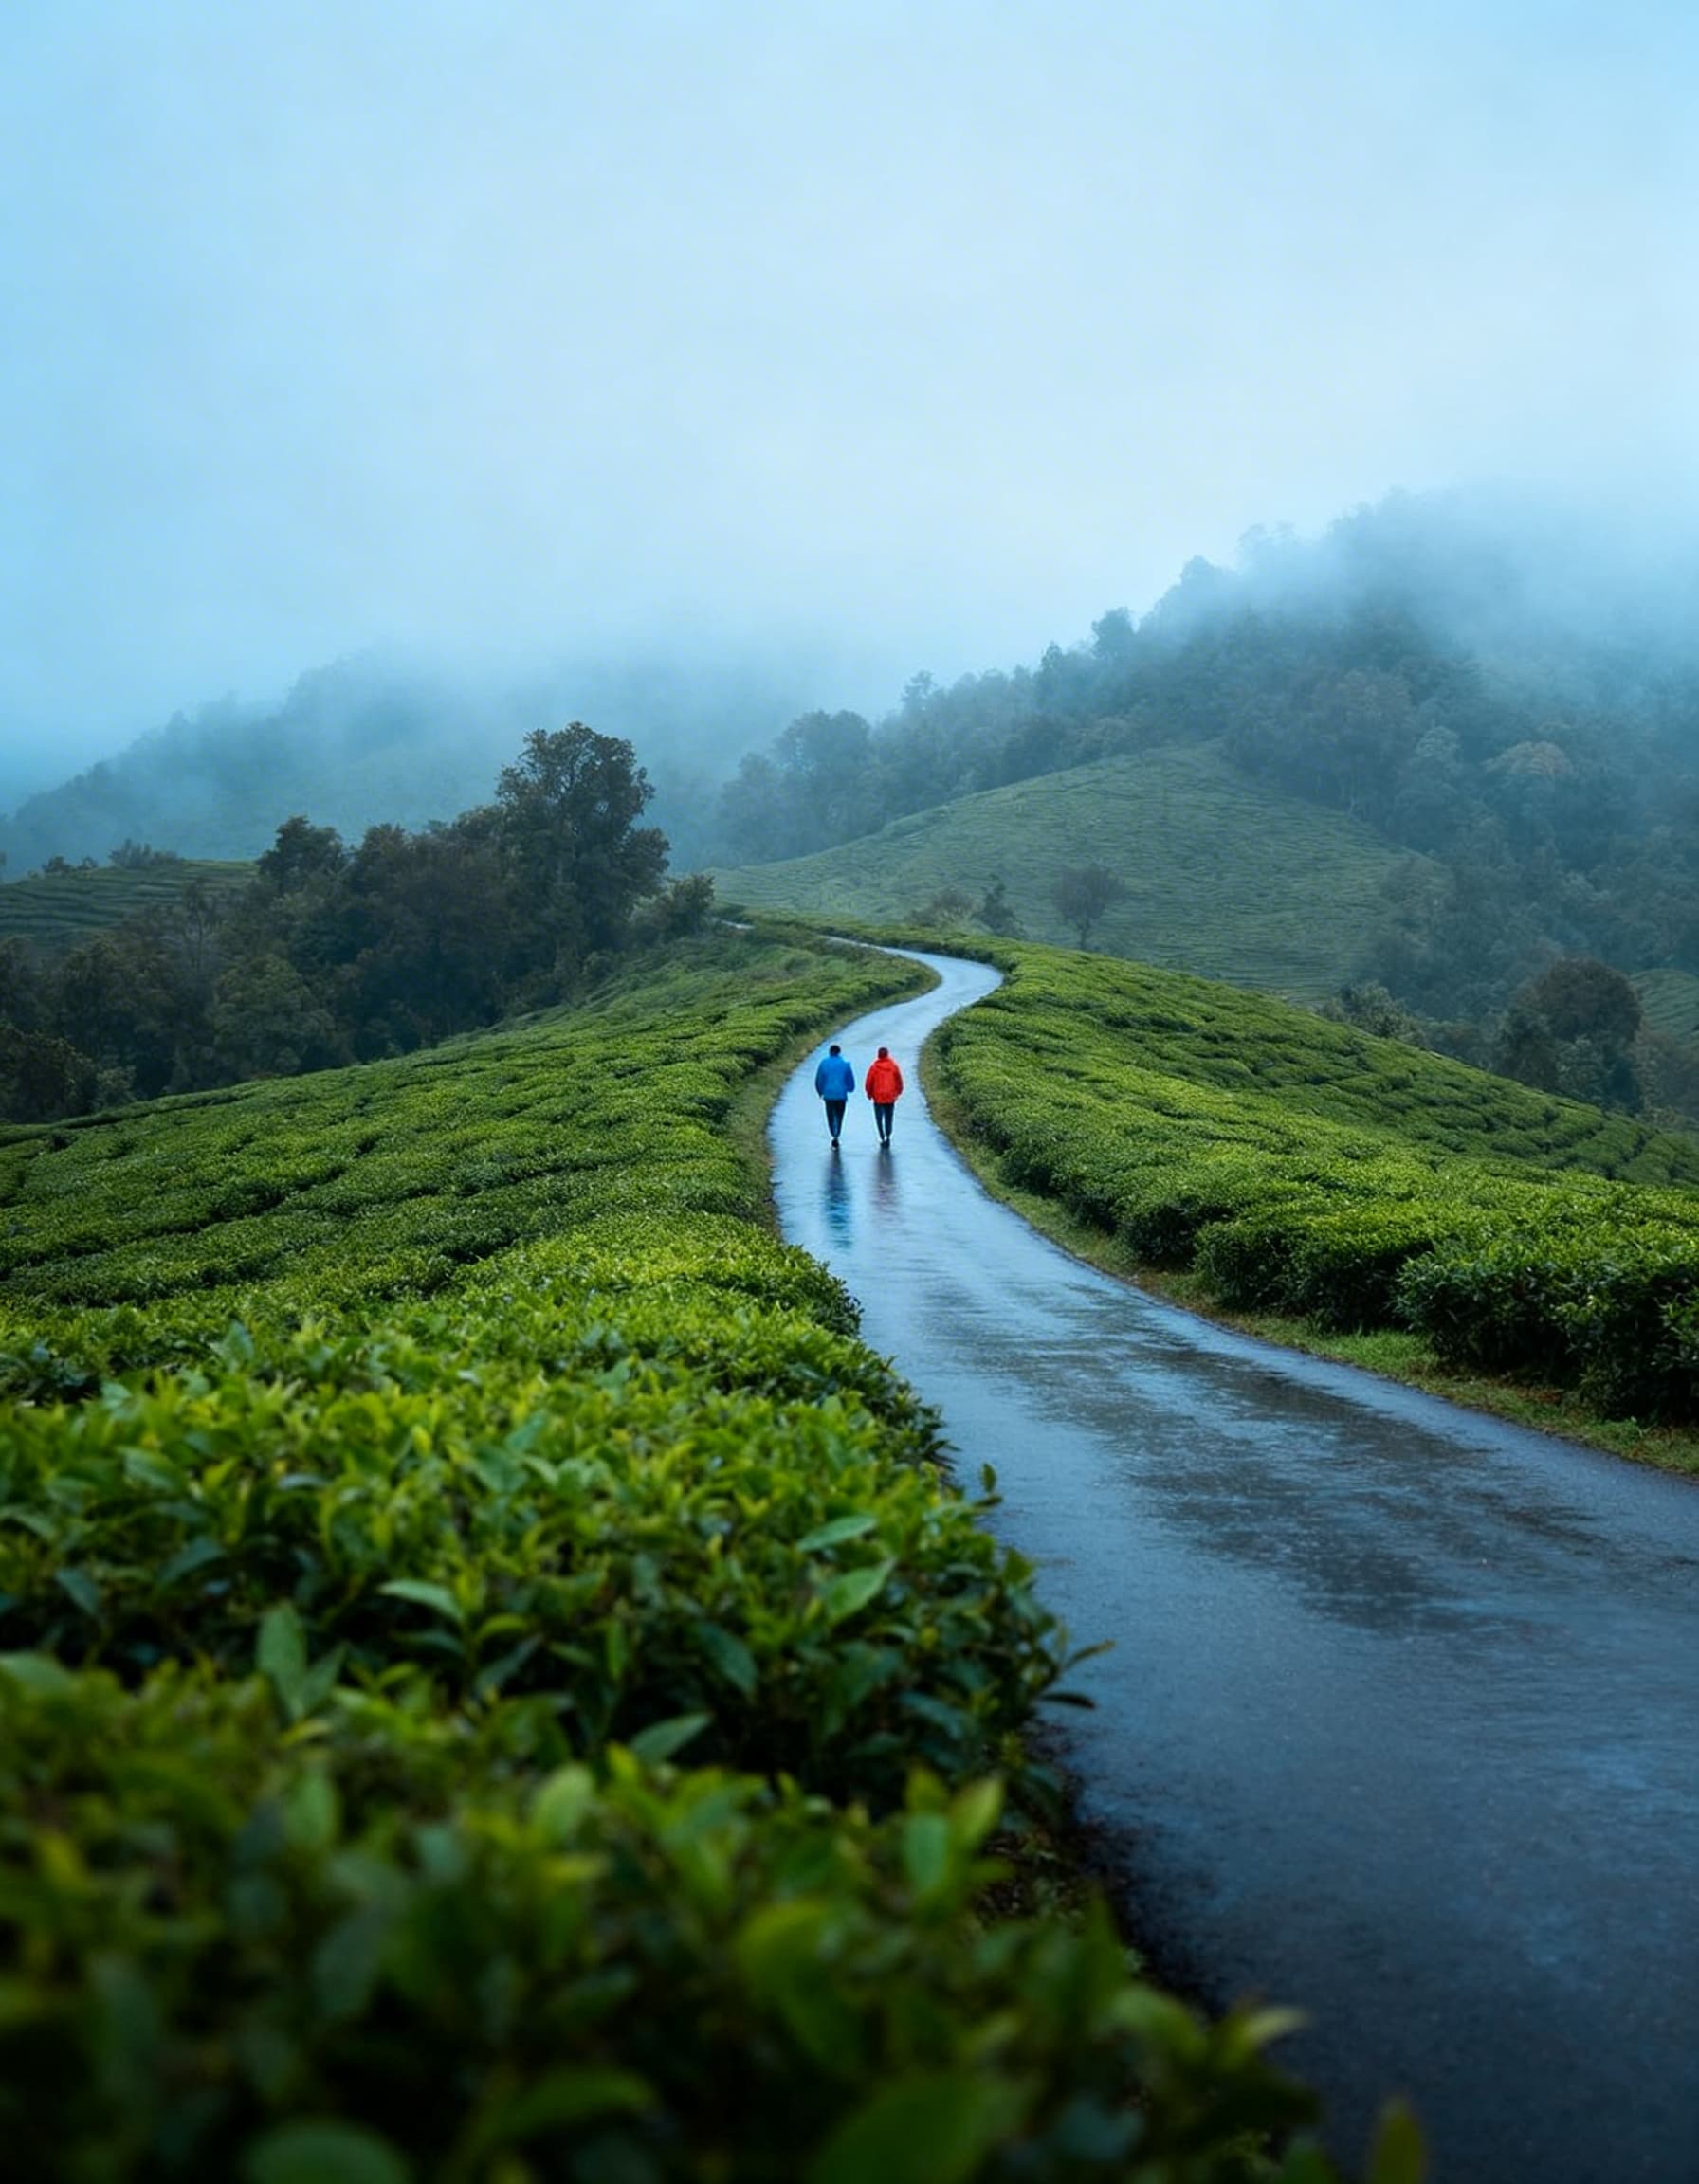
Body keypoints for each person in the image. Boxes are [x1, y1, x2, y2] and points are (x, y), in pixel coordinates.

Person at [813, 1042, 855, 1145]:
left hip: (829, 1095)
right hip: (841, 1095)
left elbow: (819, 1079)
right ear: (839, 1052)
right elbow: (850, 1080)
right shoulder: (845, 1064)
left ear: (830, 1052)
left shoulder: (824, 1063)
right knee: (840, 1115)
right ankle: (837, 1133)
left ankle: (833, 1133)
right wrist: (850, 1088)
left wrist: (820, 1091)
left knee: (830, 1115)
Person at [865, 1045, 904, 1145]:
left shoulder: (874, 1067)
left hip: (878, 1097)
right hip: (890, 1096)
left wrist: (869, 1093)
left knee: (879, 1118)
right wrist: (898, 1091)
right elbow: (899, 1080)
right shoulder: (894, 1066)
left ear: (878, 1055)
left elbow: (869, 1082)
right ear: (887, 1055)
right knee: (889, 1117)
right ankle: (888, 1135)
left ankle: (881, 1136)